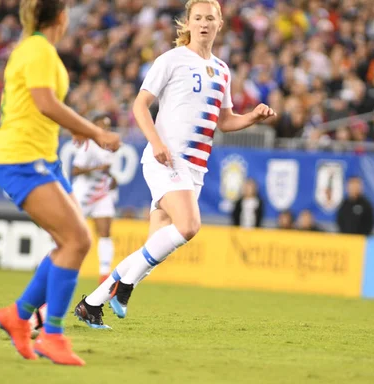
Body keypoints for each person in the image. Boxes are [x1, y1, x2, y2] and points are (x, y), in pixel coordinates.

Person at [73, 0, 275, 326]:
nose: (204, 23)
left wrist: (252, 117)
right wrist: (156, 143)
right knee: (189, 226)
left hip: (195, 168)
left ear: (220, 24)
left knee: (155, 246)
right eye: (198, 18)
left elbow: (224, 121)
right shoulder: (171, 60)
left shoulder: (222, 70)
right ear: (189, 22)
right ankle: (122, 287)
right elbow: (140, 106)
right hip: (167, 159)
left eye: (210, 18)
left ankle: (97, 302)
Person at [0, 0, 121, 366]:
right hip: (21, 159)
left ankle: (19, 316)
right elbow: (45, 103)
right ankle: (52, 334)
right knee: (77, 240)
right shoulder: (39, 50)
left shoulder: (34, 49)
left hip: (41, 159)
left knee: (71, 240)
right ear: (61, 17)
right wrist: (93, 131)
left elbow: (39, 107)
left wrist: (77, 129)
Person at [71, 114, 119, 285]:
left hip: (101, 194)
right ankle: (54, 265)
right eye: (101, 125)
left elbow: (104, 170)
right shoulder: (88, 145)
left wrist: (111, 178)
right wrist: (98, 168)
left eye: (107, 126)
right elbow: (75, 171)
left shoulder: (109, 146)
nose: (105, 129)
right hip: (83, 196)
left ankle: (104, 276)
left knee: (105, 232)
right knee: (71, 235)